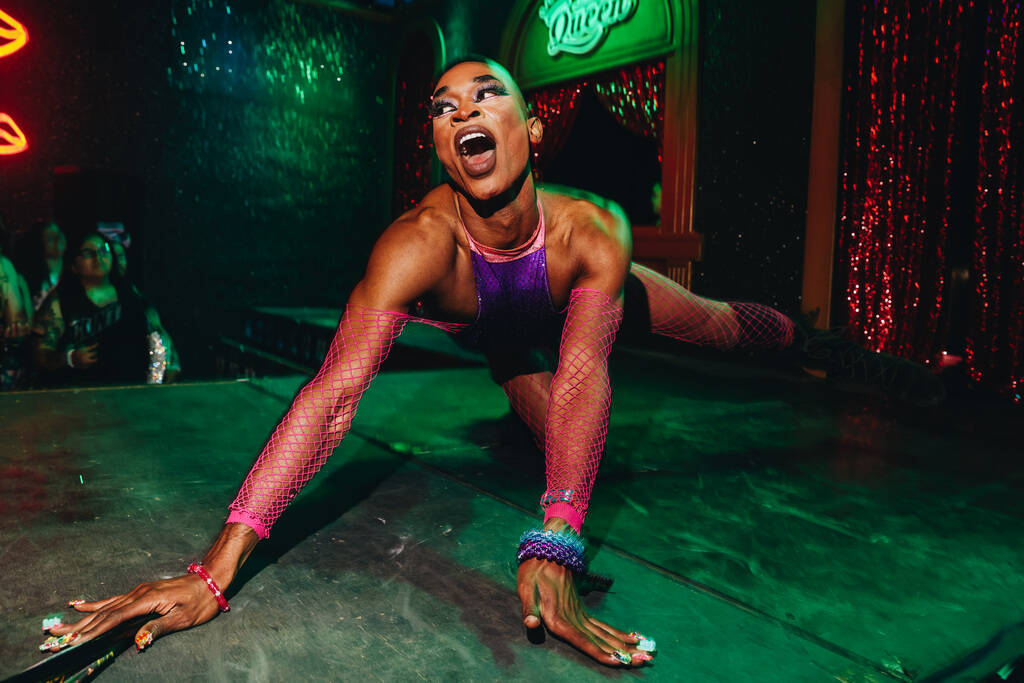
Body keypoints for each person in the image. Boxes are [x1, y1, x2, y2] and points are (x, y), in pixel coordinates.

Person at [44, 57, 940, 667]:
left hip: (579, 294)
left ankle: (824, 341)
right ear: (436, 148)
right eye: (443, 107)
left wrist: (555, 537)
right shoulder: (416, 246)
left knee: (710, 325)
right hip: (499, 337)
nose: (463, 110)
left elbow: (591, 370)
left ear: (534, 130)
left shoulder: (594, 227)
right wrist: (215, 567)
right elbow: (331, 396)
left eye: (487, 95)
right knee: (544, 416)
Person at [31, 232, 172, 386]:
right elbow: (40, 354)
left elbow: (157, 338)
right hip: (81, 396)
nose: (98, 258)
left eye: (103, 250)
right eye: (88, 253)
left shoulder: (130, 293)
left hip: (130, 392)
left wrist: (157, 378)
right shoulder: (60, 301)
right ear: (73, 265)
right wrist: (69, 359)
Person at [14, 219, 66, 313]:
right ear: (40, 243)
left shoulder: (74, 275)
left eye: (59, 233)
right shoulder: (28, 281)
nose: (57, 238)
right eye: (50, 237)